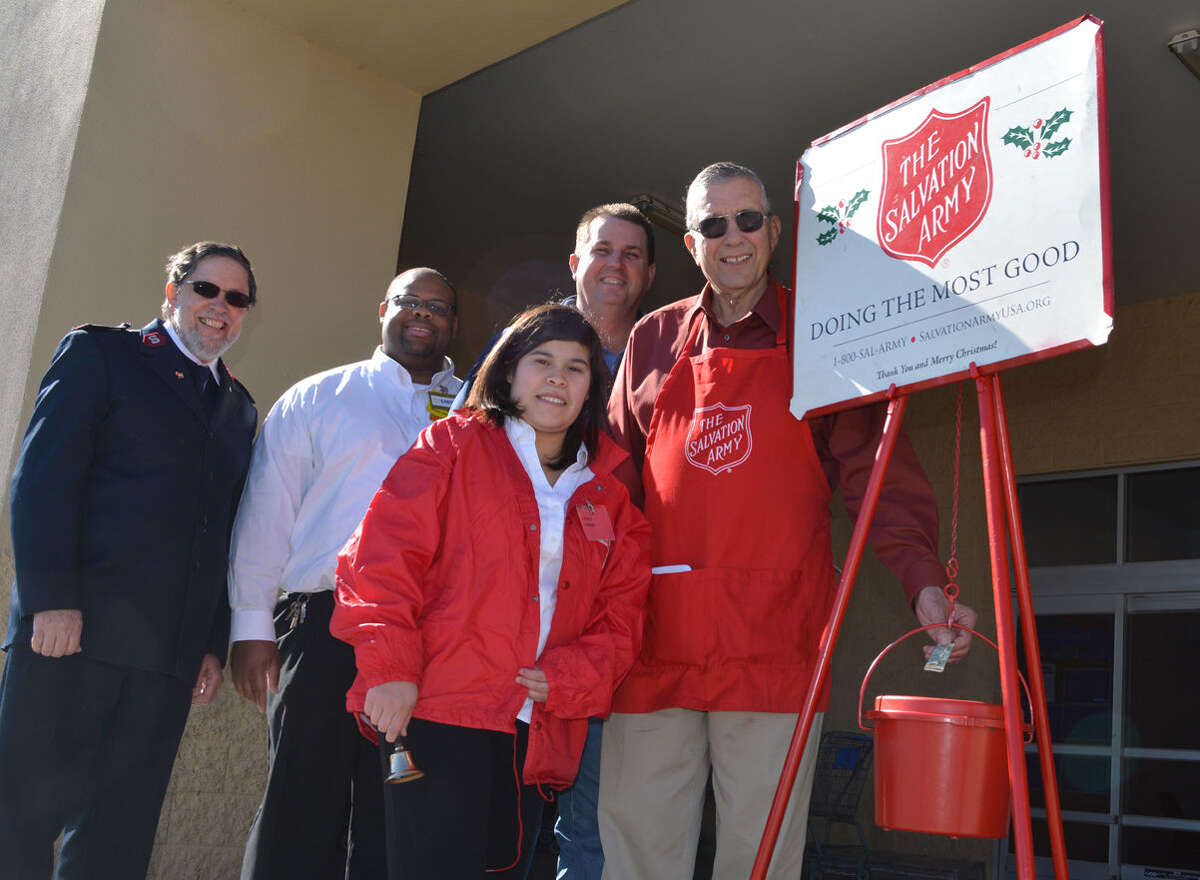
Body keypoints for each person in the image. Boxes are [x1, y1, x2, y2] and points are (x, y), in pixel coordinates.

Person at [598, 163, 978, 880]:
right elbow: (609, 492)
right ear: (691, 241)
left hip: (773, 644)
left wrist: (924, 583)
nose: (732, 237)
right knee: (638, 856)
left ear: (774, 231)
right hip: (652, 644)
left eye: (747, 220)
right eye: (713, 224)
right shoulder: (653, 339)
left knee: (761, 859)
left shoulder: (825, 337)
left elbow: (878, 476)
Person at [331, 303, 652, 880]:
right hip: (436, 708)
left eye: (576, 368)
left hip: (537, 729)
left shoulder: (609, 498)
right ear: (507, 373)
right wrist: (390, 666)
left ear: (591, 391)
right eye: (542, 360)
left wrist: (571, 677)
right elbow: (380, 560)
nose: (557, 377)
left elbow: (623, 617)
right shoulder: (451, 447)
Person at [0, 241, 258, 878]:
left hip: (164, 661)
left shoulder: (239, 407)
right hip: (71, 636)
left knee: (120, 831)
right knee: (22, 818)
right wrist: (49, 598)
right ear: (172, 292)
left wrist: (208, 643)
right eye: (206, 289)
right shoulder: (101, 355)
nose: (219, 307)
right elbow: (42, 479)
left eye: (237, 298)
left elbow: (222, 531)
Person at [229, 267, 462, 879]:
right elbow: (265, 514)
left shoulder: (476, 411)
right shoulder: (318, 396)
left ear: (454, 323)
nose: (422, 314)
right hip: (323, 625)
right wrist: (252, 627)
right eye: (410, 301)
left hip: (434, 639)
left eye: (438, 307)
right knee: (300, 808)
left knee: (398, 817)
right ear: (383, 307)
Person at [450, 204, 655, 880]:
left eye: (631, 254)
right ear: (575, 263)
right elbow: (459, 471)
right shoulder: (519, 343)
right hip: (501, 639)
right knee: (485, 830)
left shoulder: (664, 353)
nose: (616, 265)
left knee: (593, 817)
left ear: (649, 273)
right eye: (603, 250)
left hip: (604, 620)